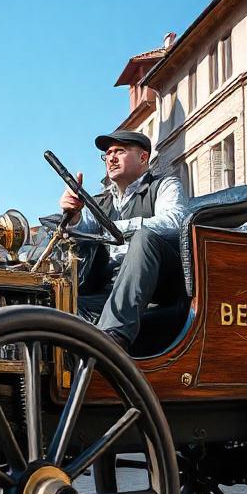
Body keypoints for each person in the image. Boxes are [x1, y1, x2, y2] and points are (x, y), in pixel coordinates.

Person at [59, 129, 187, 352]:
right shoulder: (100, 201)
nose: (111, 158)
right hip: (110, 287)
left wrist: (120, 228)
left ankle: (112, 340)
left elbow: (175, 221)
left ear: (143, 157)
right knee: (59, 309)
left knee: (144, 238)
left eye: (120, 151)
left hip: (158, 285)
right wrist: (74, 215)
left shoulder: (165, 185)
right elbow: (86, 232)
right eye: (107, 153)